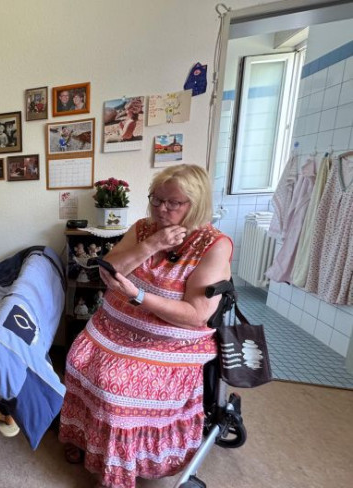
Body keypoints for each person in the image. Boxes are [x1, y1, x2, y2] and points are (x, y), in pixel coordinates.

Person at [59, 164, 232, 488]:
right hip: (112, 327)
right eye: (156, 199)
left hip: (170, 341)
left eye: (173, 203)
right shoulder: (142, 229)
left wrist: (138, 296)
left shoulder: (214, 245)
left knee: (116, 384)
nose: (161, 209)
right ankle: (84, 438)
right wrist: (151, 245)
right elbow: (108, 271)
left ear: (196, 204)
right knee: (77, 358)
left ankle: (118, 468)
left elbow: (196, 314)